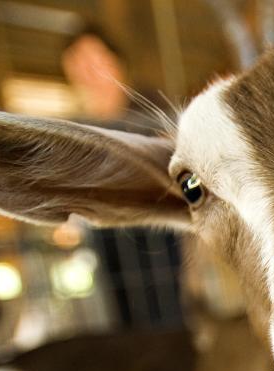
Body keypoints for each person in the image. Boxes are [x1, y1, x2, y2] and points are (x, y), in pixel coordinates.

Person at [60, 25, 185, 329]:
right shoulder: (78, 128)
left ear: (115, 62)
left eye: (95, 59)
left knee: (166, 305)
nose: (89, 71)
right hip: (105, 229)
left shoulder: (148, 107)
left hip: (155, 222)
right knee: (119, 307)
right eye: (78, 63)